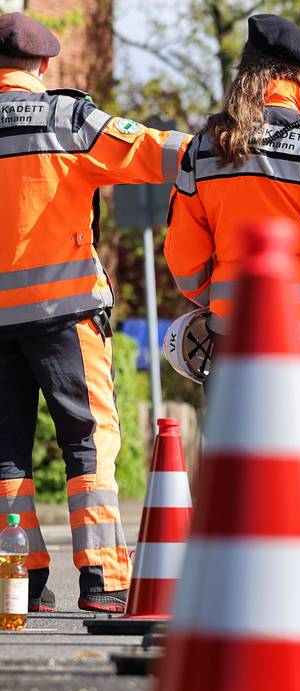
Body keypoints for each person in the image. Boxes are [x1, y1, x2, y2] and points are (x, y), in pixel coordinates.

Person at [0, 13, 190, 612]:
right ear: (46, 66)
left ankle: (18, 580)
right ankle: (103, 578)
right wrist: (225, 150)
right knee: (88, 442)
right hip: (65, 313)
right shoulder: (67, 118)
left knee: (5, 454)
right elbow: (158, 153)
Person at [164, 13, 300, 501]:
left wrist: (216, 300)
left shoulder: (204, 150)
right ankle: (293, 575)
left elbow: (184, 256)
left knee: (236, 469)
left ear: (246, 73)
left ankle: (231, 573)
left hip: (234, 337)